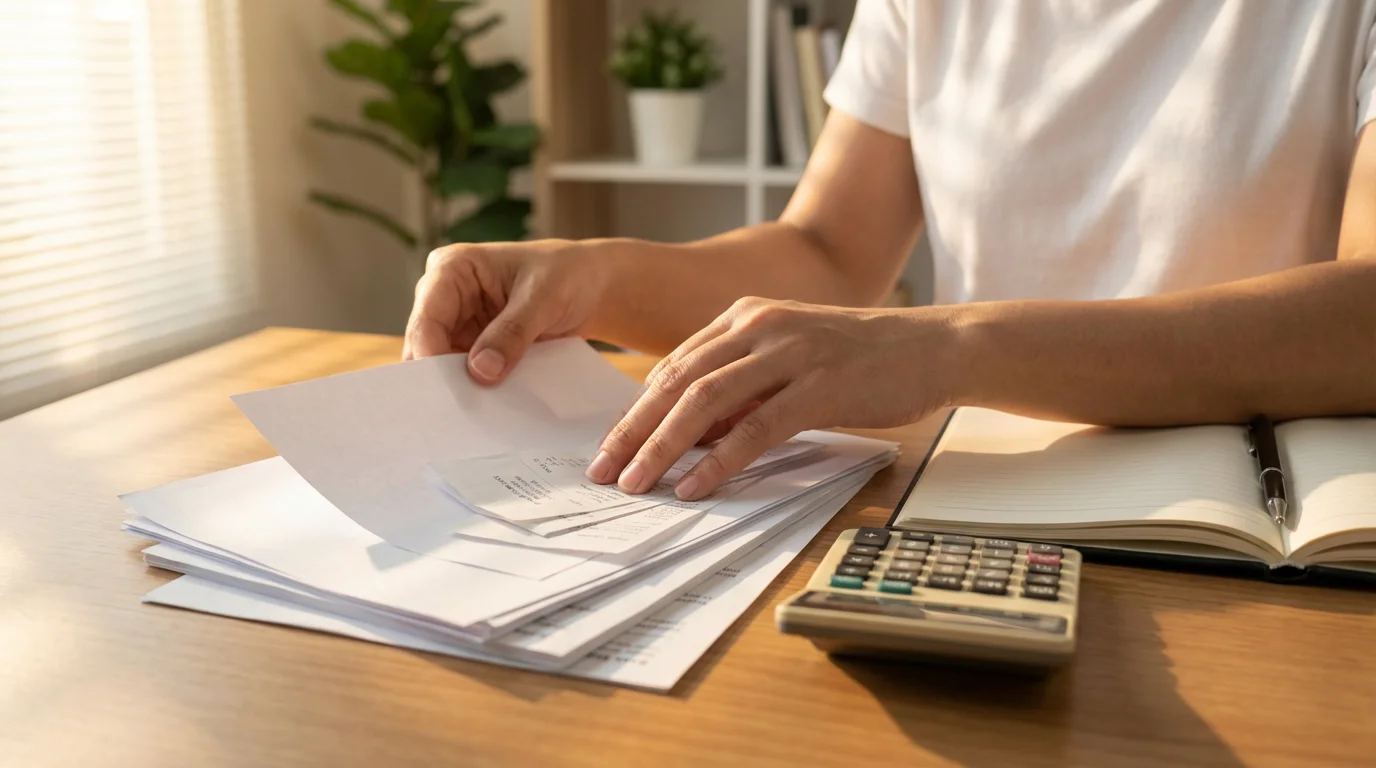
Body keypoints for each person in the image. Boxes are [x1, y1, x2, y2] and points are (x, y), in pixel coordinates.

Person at [405, 1, 1376, 503]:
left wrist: (945, 348)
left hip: (1249, 521)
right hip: (983, 499)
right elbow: (826, 252)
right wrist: (592, 274)